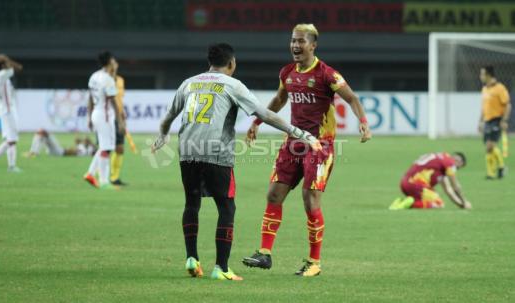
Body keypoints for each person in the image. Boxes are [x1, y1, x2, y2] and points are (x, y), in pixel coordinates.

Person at [151, 43, 321, 281]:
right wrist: (300, 133)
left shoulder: (189, 82)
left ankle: (192, 258)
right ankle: (221, 267)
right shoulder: (232, 84)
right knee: (226, 207)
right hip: (215, 153)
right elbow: (264, 114)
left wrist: (162, 136)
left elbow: (169, 116)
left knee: (191, 203)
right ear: (231, 63)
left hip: (187, 151)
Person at [242, 24, 372, 277]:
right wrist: (257, 122)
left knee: (309, 200)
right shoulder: (287, 72)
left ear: (313, 45)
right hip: (292, 142)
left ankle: (314, 262)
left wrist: (364, 123)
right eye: (293, 41)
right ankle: (264, 254)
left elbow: (352, 98)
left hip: (319, 145)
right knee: (273, 195)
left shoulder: (327, 74)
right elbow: (280, 100)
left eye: (301, 41)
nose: (295, 45)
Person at [83, 51, 125, 189]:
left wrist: (89, 117)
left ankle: (90, 173)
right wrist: (120, 121)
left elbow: (90, 98)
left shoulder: (94, 76)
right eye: (113, 60)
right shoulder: (107, 79)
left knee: (103, 146)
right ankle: (104, 181)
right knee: (107, 148)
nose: (115, 62)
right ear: (109, 62)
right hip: (106, 115)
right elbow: (113, 101)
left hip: (96, 113)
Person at [389, 152, 471, 210]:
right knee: (439, 204)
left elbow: (448, 190)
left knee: (430, 199)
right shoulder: (449, 163)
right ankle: (410, 203)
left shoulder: (440, 160)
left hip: (405, 183)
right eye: (458, 167)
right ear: (458, 162)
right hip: (416, 185)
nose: (456, 169)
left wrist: (461, 205)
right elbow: (455, 187)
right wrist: (464, 202)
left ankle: (400, 202)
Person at [478, 66, 511, 179]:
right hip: (487, 120)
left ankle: (490, 173)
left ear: (488, 75)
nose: (480, 76)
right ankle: (500, 167)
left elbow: (507, 105)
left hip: (497, 119)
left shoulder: (500, 88)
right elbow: (484, 107)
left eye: (482, 74)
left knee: (490, 145)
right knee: (488, 147)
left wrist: (504, 120)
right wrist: (480, 121)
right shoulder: (485, 89)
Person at [110, 60, 128, 186]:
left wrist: (122, 113)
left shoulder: (120, 80)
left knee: (120, 148)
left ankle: (114, 177)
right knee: (105, 148)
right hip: (108, 117)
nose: (115, 65)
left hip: (118, 117)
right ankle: (103, 176)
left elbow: (119, 99)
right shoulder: (105, 80)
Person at [24, 129, 96, 157]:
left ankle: (33, 152)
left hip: (60, 152)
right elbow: (77, 140)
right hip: (58, 151)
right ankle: (34, 152)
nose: (86, 140)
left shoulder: (87, 151)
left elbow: (74, 150)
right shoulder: (83, 146)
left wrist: (88, 140)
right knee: (42, 136)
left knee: (44, 132)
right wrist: (78, 135)